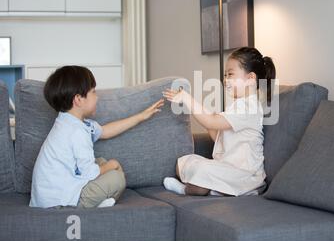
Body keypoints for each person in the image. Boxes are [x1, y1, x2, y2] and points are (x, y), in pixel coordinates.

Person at [30, 66, 165, 208]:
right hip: (60, 203)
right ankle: (92, 205)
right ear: (78, 99)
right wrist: (113, 164)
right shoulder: (77, 132)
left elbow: (105, 131)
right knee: (116, 178)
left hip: (55, 194)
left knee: (100, 161)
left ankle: (99, 201)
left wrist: (141, 116)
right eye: (93, 92)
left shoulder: (70, 122)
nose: (97, 97)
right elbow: (89, 173)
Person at [163, 47, 276, 196]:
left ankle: (186, 189)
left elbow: (211, 121)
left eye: (230, 74)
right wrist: (211, 121)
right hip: (226, 168)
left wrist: (187, 99)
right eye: (225, 75)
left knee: (202, 171)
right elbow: (218, 138)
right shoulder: (237, 106)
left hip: (244, 174)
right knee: (184, 162)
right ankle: (217, 189)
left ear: (250, 79)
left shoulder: (249, 107)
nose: (225, 80)